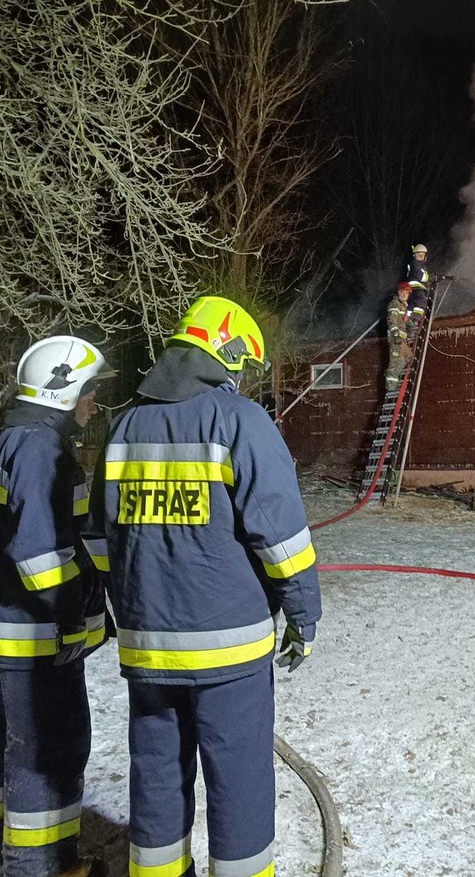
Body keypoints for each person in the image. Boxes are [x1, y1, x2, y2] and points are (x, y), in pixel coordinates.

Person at [83, 296, 322, 877]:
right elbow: (282, 537)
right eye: (241, 366)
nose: (240, 380)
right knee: (237, 775)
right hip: (229, 647)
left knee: (157, 772)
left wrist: (131, 600)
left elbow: (96, 539)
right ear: (227, 353)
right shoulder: (240, 421)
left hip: (148, 648)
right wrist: (303, 615)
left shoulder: (123, 427)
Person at [0, 336, 112, 877]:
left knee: (7, 744)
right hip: (35, 636)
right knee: (47, 753)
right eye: (91, 393)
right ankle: (40, 865)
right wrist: (74, 615)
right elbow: (41, 556)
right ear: (66, 390)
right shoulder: (40, 451)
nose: (93, 405)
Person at [386, 281, 414, 392]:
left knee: (409, 357)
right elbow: (391, 319)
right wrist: (396, 334)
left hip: (402, 340)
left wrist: (411, 326)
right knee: (395, 362)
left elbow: (405, 320)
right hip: (396, 339)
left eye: (406, 292)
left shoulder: (404, 306)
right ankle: (391, 387)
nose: (404, 294)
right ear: (398, 292)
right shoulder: (395, 303)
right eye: (402, 292)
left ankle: (394, 381)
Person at [403, 243, 432, 328]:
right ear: (414, 256)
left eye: (421, 255)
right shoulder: (415, 264)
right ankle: (415, 320)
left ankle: (409, 319)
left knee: (413, 304)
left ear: (425, 256)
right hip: (416, 288)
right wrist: (431, 277)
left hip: (414, 288)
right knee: (421, 302)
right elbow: (421, 276)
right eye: (418, 255)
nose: (420, 257)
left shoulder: (420, 265)